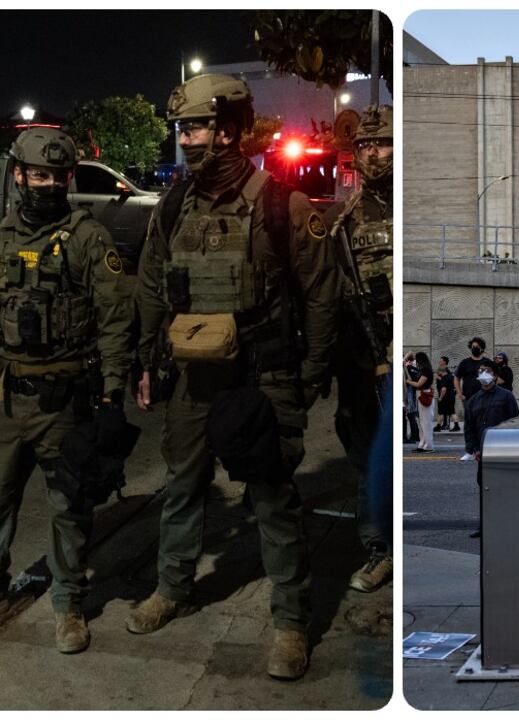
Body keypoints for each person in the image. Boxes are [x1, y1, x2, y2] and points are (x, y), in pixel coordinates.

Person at [131, 74, 340, 680]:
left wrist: (307, 376)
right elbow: (151, 287)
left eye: (193, 127)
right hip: (193, 374)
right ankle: (173, 587)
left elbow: (321, 299)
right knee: (182, 485)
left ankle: (291, 622)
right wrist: (147, 362)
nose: (186, 139)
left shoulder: (283, 205)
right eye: (182, 129)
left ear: (225, 131)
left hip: (262, 372)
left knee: (272, 496)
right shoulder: (173, 206)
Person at [0, 128, 133, 654]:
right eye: (39, 174)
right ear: (18, 175)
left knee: (68, 507)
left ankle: (68, 604)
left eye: (58, 175)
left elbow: (116, 319)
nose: (49, 184)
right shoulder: (4, 235)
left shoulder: (87, 237)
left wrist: (113, 395)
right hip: (9, 396)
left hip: (63, 396)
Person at [325, 104, 394, 594]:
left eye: (383, 143)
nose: (373, 153)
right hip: (373, 358)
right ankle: (378, 549)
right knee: (369, 451)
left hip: (414, 357)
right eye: (365, 146)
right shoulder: (346, 221)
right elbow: (339, 292)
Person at [463, 365, 519, 538]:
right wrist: (474, 449)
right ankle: (485, 525)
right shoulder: (473, 401)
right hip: (483, 452)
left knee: (505, 488)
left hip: (502, 451)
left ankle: (507, 523)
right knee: (485, 489)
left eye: (487, 371)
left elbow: (514, 422)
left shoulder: (506, 396)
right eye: (480, 371)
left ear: (495, 376)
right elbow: (469, 428)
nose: (484, 374)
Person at [454, 336, 488, 458]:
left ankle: (482, 449)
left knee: (483, 423)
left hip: (484, 397)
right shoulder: (464, 363)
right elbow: (456, 377)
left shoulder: (487, 362)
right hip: (468, 398)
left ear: (482, 348)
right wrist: (459, 393)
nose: (475, 348)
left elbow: (495, 377)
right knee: (469, 424)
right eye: (473, 346)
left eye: (477, 347)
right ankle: (470, 451)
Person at [406, 352, 434, 453]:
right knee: (421, 422)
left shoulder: (426, 370)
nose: (415, 361)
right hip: (421, 394)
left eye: (416, 359)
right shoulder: (423, 369)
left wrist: (408, 381)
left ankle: (428, 446)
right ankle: (422, 444)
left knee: (426, 422)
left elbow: (419, 384)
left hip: (423, 394)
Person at [435, 357, 457, 431]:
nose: (439, 362)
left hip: (445, 394)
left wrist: (439, 378)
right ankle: (444, 424)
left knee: (443, 411)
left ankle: (444, 424)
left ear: (444, 362)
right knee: (449, 411)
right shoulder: (443, 371)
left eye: (441, 361)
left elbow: (446, 383)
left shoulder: (446, 371)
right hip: (445, 394)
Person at [403, 352, 420, 444]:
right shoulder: (415, 368)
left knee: (410, 416)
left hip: (409, 393)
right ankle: (416, 435)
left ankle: (413, 436)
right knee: (412, 416)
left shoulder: (408, 368)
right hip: (413, 393)